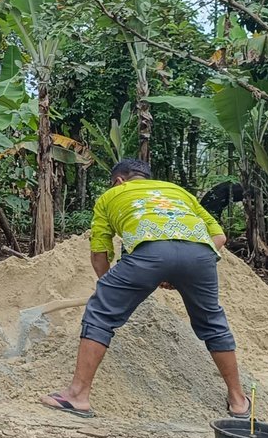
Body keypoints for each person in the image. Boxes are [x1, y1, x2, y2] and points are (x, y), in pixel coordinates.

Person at [42, 158, 251, 419]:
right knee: (212, 323)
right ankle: (239, 401)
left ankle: (77, 396)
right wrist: (180, 269)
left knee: (100, 315)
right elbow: (219, 236)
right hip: (200, 254)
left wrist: (109, 290)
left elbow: (100, 256)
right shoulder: (177, 191)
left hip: (148, 252)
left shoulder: (111, 196)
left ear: (119, 181)